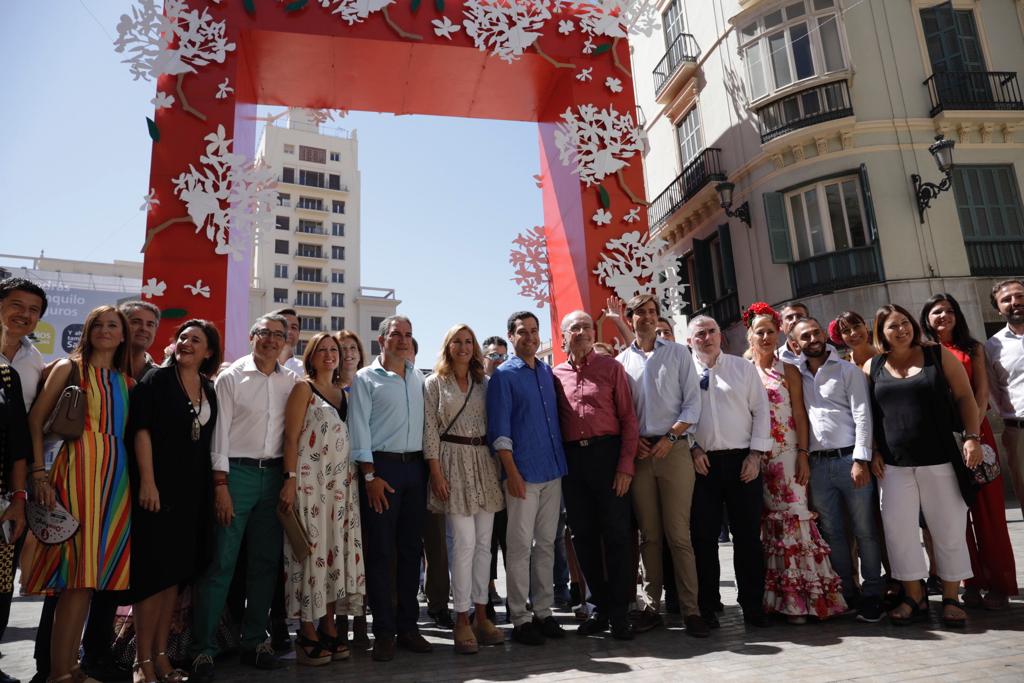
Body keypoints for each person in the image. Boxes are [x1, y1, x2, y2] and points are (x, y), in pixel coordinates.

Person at [24, 306, 134, 683]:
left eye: (112, 325)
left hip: (115, 482)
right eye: (97, 325)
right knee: (75, 578)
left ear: (122, 335)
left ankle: (71, 667)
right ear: (87, 331)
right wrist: (38, 473)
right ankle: (59, 672)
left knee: (89, 581)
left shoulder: (126, 381)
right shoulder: (69, 368)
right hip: (76, 473)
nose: (105, 330)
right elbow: (35, 421)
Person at [188, 314, 298, 682]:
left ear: (286, 341)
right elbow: (219, 433)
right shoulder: (231, 377)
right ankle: (202, 649)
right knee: (221, 562)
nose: (271, 340)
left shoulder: (291, 381)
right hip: (236, 476)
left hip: (275, 476)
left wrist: (289, 478)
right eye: (264, 333)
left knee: (266, 564)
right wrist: (220, 484)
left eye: (278, 335)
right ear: (252, 336)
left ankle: (255, 642)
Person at [864, 304, 979, 628]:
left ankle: (952, 598)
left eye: (905, 322)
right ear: (881, 333)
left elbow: (965, 397)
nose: (901, 329)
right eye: (892, 326)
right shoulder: (872, 366)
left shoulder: (937, 355)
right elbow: (867, 414)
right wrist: (873, 451)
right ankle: (914, 596)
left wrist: (972, 437)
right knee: (898, 531)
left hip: (940, 458)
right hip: (893, 465)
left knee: (949, 529)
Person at [129, 320, 221, 683]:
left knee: (174, 579)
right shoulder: (156, 380)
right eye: (182, 337)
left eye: (195, 340)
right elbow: (141, 432)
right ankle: (142, 662)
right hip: (157, 492)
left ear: (208, 351)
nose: (186, 343)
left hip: (192, 496)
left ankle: (162, 656)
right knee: (152, 578)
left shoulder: (209, 388)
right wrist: (148, 482)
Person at [745, 305, 846, 624]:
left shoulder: (787, 368)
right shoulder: (743, 369)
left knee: (795, 521)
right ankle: (780, 600)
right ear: (750, 335)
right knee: (769, 527)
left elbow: (800, 415)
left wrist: (803, 453)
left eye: (770, 331)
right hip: (757, 458)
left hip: (788, 456)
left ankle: (806, 599)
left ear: (779, 335)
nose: (765, 337)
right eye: (759, 332)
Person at [617, 295, 707, 637]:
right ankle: (651, 608)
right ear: (630, 318)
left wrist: (671, 436)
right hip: (641, 455)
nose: (647, 317)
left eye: (653, 312)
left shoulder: (679, 353)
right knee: (650, 537)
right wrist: (634, 440)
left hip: (675, 449)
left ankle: (691, 610)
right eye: (640, 312)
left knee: (678, 535)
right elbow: (622, 412)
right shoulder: (621, 361)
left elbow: (692, 404)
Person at [920, 294, 1017, 610]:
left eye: (950, 310)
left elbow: (982, 392)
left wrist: (970, 432)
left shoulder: (973, 348)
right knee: (955, 515)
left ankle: (1000, 585)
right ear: (926, 318)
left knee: (989, 511)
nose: (944, 316)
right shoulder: (922, 351)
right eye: (937, 311)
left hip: (976, 431)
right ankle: (970, 583)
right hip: (941, 438)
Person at [349, 315, 431, 662]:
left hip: (416, 470)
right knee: (381, 553)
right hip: (382, 471)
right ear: (381, 340)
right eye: (396, 334)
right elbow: (358, 429)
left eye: (408, 335)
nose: (403, 340)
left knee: (411, 551)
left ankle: (409, 627)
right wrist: (369, 475)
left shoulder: (418, 377)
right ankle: (383, 632)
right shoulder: (365, 378)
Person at [551, 311, 638, 640]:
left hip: (608, 456)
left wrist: (625, 465)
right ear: (564, 336)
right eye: (575, 327)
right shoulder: (555, 375)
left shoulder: (611, 368)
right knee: (582, 537)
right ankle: (600, 607)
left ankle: (620, 612)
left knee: (617, 536)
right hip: (573, 461)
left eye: (587, 326)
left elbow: (629, 419)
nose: (582, 332)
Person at [280, 332, 365, 665]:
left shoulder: (345, 392)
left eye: (334, 350)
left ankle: (328, 624)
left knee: (332, 555)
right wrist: (289, 480)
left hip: (342, 487)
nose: (330, 355)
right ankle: (305, 630)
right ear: (311, 356)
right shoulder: (304, 388)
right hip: (310, 484)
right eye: (322, 350)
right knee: (309, 553)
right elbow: (290, 437)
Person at [486, 311, 568, 646]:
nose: (531, 337)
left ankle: (544, 612)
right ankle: (520, 617)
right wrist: (512, 473)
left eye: (535, 331)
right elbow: (499, 430)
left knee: (546, 545)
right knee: (520, 548)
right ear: (511, 336)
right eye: (523, 332)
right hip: (523, 474)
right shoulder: (503, 376)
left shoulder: (547, 371)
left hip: (553, 470)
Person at [423, 324, 505, 654]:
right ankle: (461, 619)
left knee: (485, 545)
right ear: (447, 346)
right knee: (464, 544)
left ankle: (481, 616)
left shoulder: (484, 383)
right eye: (457, 341)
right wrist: (436, 473)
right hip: (451, 462)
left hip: (483, 462)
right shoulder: (434, 383)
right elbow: (430, 431)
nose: (463, 346)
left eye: (468, 341)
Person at [687, 315, 772, 627]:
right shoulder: (684, 373)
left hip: (742, 462)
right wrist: (692, 448)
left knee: (747, 537)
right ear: (690, 341)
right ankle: (708, 605)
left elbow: (761, 411)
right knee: (703, 538)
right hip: (702, 464)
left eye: (712, 332)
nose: (707, 338)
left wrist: (755, 455)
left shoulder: (742, 368)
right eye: (700, 334)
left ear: (720, 335)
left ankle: (752, 605)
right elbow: (677, 415)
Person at [0, 277, 45, 683]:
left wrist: (20, 494)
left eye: (33, 310)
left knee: (2, 582)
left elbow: (23, 438)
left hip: (8, 489)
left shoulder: (33, 365)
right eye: (16, 304)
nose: (24, 315)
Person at [332, 329, 369, 649]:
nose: (348, 353)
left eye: (353, 347)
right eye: (341, 348)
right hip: (334, 479)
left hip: (366, 476)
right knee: (339, 551)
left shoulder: (369, 385)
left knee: (364, 551)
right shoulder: (326, 389)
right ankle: (339, 622)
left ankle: (360, 621)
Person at [986, 278, 1024, 515]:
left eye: (1019, 295)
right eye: (1006, 299)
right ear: (999, 309)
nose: (1015, 302)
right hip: (1019, 433)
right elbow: (993, 391)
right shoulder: (992, 347)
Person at [481, 335, 509, 622]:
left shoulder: (509, 382)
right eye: (494, 355)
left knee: (510, 538)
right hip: (483, 471)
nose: (499, 361)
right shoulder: (478, 386)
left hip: (509, 473)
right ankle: (487, 591)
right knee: (486, 540)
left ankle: (517, 599)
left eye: (503, 356)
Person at [120, 301, 161, 382]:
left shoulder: (162, 377)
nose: (144, 328)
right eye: (136, 322)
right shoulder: (100, 369)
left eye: (150, 324)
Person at [271, 308, 304, 376]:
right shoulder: (257, 367)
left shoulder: (306, 371)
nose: (289, 331)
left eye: (294, 327)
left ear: (298, 334)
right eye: (284, 326)